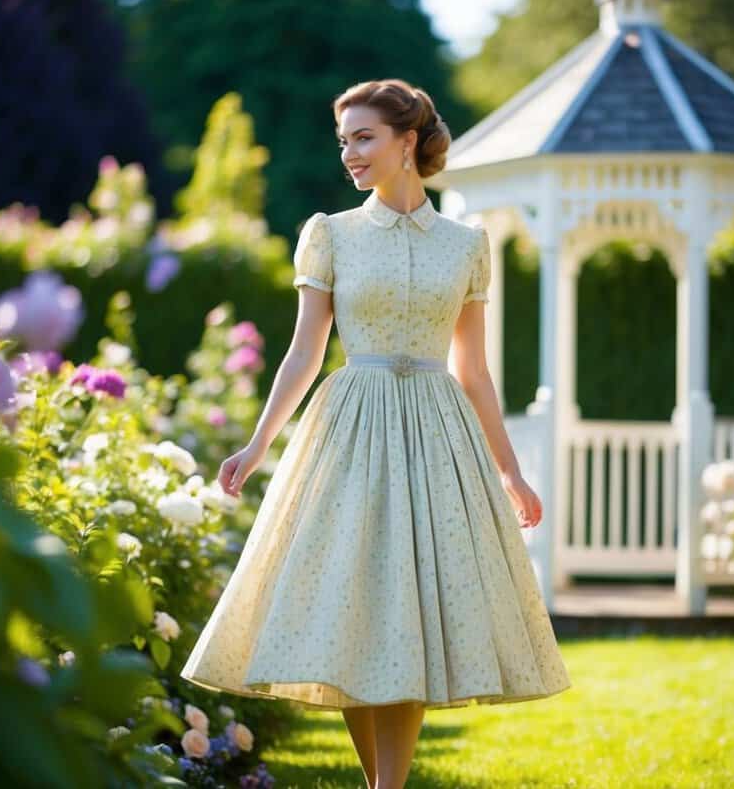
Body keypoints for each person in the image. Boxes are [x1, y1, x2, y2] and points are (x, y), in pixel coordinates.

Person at [180, 78, 571, 789]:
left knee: (411, 617)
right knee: (357, 614)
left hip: (437, 434)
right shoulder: (330, 233)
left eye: (364, 138)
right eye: (344, 141)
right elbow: (304, 352)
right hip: (351, 431)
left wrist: (510, 471)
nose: (350, 154)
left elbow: (474, 370)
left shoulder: (467, 244)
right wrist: (258, 442)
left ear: (407, 142)